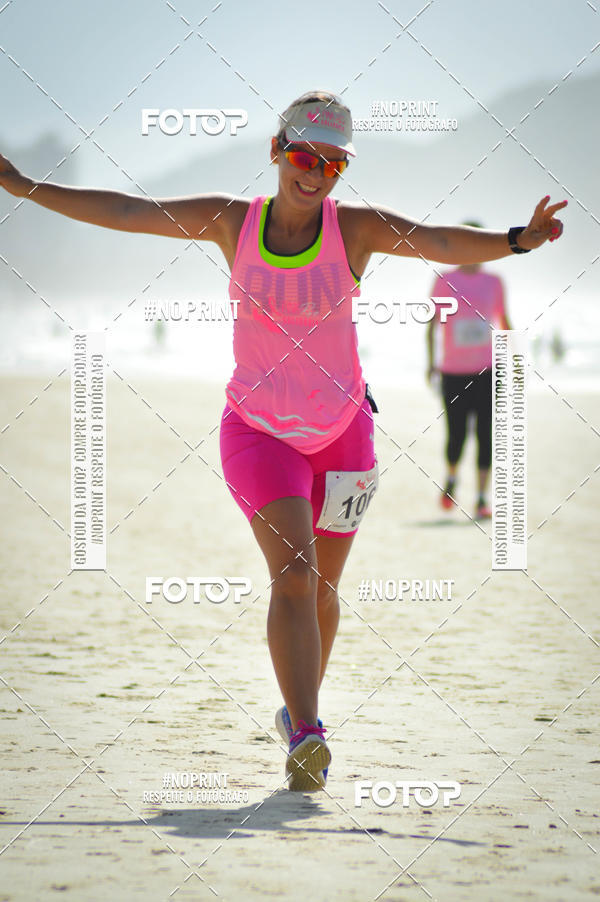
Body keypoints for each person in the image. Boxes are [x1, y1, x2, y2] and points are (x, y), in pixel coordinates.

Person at [0, 90, 566, 792]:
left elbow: (438, 240)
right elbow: (125, 212)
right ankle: (307, 733)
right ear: (277, 152)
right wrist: (22, 186)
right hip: (259, 432)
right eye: (304, 155)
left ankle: (296, 712)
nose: (316, 171)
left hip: (344, 437)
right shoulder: (231, 224)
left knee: (325, 590)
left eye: (333, 162)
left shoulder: (353, 231)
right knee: (294, 573)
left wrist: (517, 240)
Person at [426, 223, 511, 519]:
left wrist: (512, 360)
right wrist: (430, 363)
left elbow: (504, 321)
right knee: (457, 434)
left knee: (486, 434)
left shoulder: (494, 281)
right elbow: (432, 325)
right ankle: (451, 478)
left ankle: (481, 497)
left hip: (488, 369)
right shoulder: (444, 279)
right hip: (453, 371)